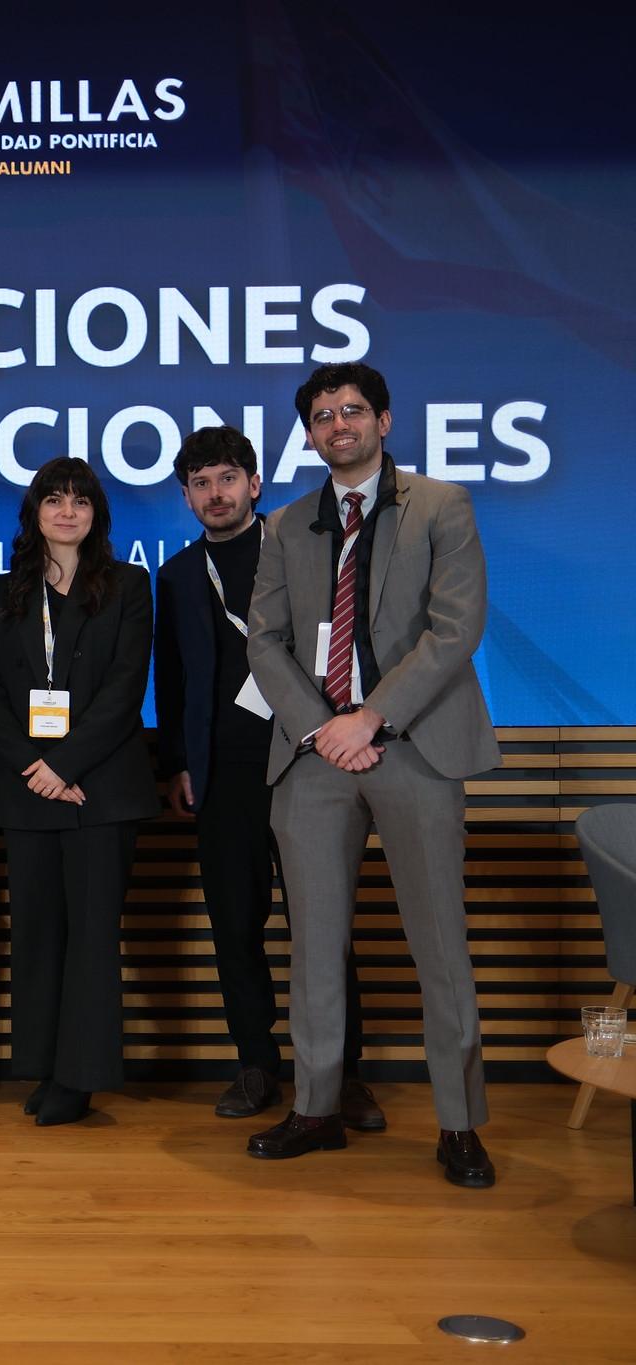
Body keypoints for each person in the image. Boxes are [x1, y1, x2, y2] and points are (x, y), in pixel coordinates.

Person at [246, 362, 501, 1188]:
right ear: (310, 433)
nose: (338, 425)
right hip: (316, 758)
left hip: (416, 746)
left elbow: (455, 629)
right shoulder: (286, 524)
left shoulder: (441, 505)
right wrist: (325, 727)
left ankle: (459, 1124)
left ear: (383, 420)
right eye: (322, 416)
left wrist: (371, 717)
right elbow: (265, 640)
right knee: (314, 945)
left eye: (352, 410)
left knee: (440, 945)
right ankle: (316, 1105)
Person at [154, 426, 383, 1127]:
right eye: (200, 482)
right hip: (222, 775)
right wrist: (177, 764)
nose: (215, 493)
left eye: (227, 478)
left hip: (307, 761)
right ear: (187, 495)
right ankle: (255, 1061)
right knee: (235, 925)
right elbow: (174, 678)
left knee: (321, 926)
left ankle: (343, 1073)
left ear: (254, 483)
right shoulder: (180, 574)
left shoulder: (298, 547)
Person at [0, 457, 156, 1126]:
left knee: (90, 937)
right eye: (54, 499)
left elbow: (125, 690)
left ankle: (80, 1080)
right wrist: (35, 765)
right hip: (27, 788)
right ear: (35, 512)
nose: (67, 510)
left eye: (80, 500)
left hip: (102, 788)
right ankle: (46, 1064)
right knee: (38, 933)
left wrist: (67, 764)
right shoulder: (4, 593)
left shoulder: (129, 585)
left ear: (96, 514)